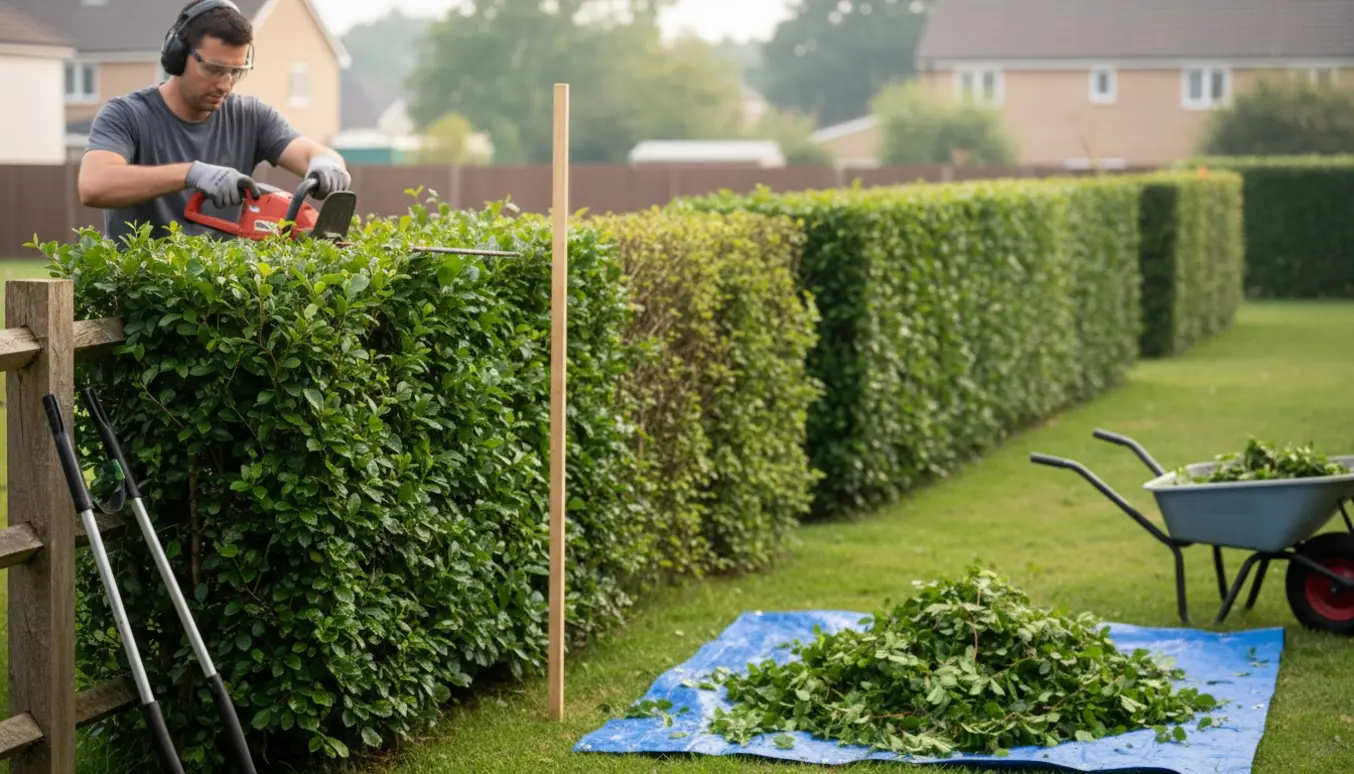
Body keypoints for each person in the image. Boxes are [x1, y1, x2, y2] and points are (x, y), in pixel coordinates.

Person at [77, 0, 350, 244]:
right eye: (214, 69)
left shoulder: (251, 116)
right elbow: (94, 185)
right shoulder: (126, 115)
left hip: (221, 283)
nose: (225, 85)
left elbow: (312, 153)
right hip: (138, 281)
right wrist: (191, 174)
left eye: (235, 72)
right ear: (178, 56)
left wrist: (326, 163)